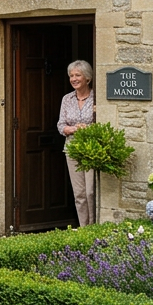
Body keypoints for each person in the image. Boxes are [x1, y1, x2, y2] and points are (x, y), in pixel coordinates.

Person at [58, 59, 96, 225]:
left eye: (77, 75)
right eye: (71, 76)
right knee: (79, 194)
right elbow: (61, 125)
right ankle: (83, 228)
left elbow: (102, 123)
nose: (73, 79)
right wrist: (72, 129)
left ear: (87, 78)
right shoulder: (67, 99)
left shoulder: (96, 98)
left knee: (90, 192)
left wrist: (88, 128)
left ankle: (94, 226)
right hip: (72, 149)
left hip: (92, 149)